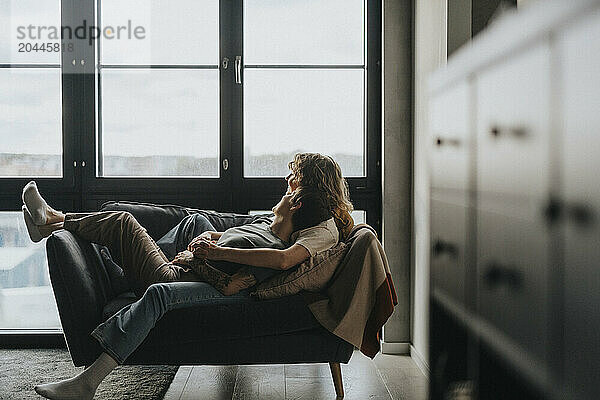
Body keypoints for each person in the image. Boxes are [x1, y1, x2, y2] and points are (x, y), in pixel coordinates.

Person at [27, 153, 353, 400]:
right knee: (194, 224)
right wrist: (209, 245)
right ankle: (56, 226)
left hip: (227, 283)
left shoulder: (319, 229)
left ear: (304, 194)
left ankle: (52, 222)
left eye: (293, 178)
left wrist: (213, 255)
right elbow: (260, 245)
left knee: (126, 226)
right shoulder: (284, 221)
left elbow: (281, 262)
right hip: (204, 267)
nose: (286, 182)